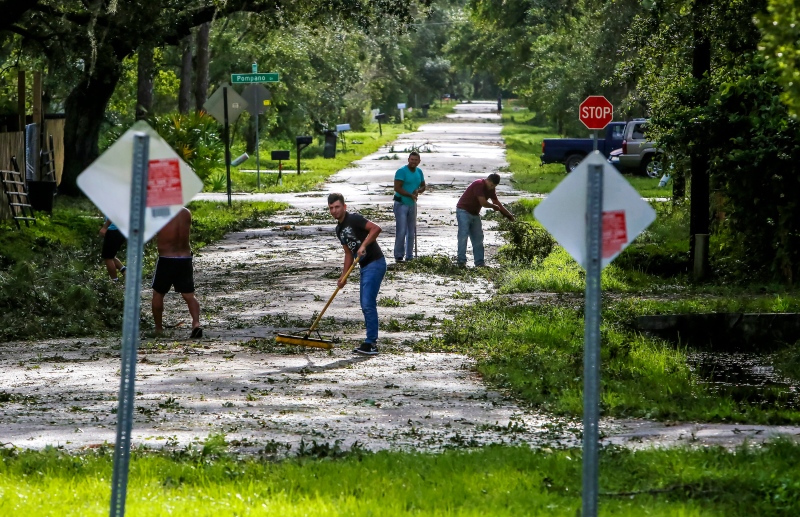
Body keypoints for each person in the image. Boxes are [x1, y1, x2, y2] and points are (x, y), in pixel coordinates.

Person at [328, 193, 387, 355]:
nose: (334, 211)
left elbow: (376, 228)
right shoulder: (339, 229)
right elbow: (348, 253)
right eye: (331, 208)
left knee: (367, 303)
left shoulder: (354, 219)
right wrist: (343, 276)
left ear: (344, 207)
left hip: (375, 262)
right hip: (364, 266)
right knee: (365, 303)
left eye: (337, 207)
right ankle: (370, 342)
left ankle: (371, 344)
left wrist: (364, 245)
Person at [151, 207, 202, 338]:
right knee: (189, 295)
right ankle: (196, 323)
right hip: (184, 258)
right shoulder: (186, 213)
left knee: (158, 293)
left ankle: (158, 329)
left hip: (166, 259)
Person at [455, 173, 515, 267]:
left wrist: (508, 215)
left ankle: (479, 263)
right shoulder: (479, 184)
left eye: (494, 186)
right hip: (463, 211)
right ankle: (461, 261)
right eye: (491, 185)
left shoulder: (491, 189)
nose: (492, 187)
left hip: (475, 214)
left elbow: (496, 202)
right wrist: (492, 206)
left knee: (478, 238)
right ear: (488, 180)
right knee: (463, 236)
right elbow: (483, 202)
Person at [393, 151, 426, 262]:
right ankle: (398, 255)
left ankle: (409, 256)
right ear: (408, 160)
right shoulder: (401, 172)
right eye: (412, 160)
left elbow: (423, 186)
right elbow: (397, 188)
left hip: (412, 204)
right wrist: (409, 195)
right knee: (401, 230)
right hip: (401, 203)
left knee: (411, 231)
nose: (413, 162)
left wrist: (418, 191)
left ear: (419, 161)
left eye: (416, 160)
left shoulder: (419, 172)